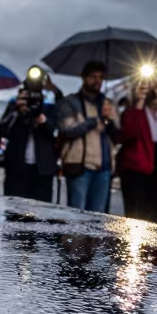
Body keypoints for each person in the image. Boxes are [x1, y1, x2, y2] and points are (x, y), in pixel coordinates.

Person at [117, 75, 157, 223]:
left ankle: (152, 247)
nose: (156, 91)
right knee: (134, 217)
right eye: (151, 87)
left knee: (155, 219)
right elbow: (128, 135)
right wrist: (139, 103)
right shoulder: (133, 112)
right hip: (135, 172)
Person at [56, 60, 118, 212]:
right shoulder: (70, 102)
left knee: (98, 218)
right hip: (80, 167)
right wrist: (94, 120)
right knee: (77, 216)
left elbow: (118, 136)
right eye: (93, 77)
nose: (97, 81)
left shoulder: (107, 103)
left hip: (104, 168)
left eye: (100, 77)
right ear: (84, 78)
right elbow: (67, 130)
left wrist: (108, 120)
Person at [0, 69, 58, 202]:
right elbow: (2, 130)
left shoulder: (49, 105)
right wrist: (17, 112)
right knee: (15, 213)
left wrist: (42, 121)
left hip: (43, 170)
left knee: (42, 215)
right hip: (17, 169)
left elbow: (57, 132)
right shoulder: (16, 104)